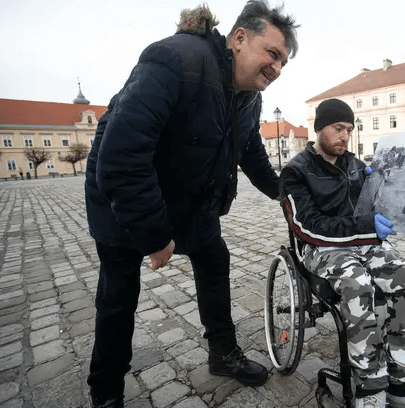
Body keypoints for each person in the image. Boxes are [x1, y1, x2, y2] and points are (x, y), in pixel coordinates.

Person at [84, 2, 299, 407]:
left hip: (191, 198)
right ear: (239, 38)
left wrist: (283, 193)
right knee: (117, 296)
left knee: (215, 260)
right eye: (272, 54)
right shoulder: (174, 59)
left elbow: (250, 149)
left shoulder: (248, 96)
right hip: (121, 201)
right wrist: (154, 235)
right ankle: (106, 389)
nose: (277, 68)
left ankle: (222, 354)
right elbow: (120, 157)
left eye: (283, 62)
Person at [279, 99, 405, 408]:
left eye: (349, 130)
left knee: (403, 278)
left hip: (363, 240)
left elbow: (374, 205)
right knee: (356, 281)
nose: (345, 136)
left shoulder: (355, 165)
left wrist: (380, 184)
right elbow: (308, 226)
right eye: (338, 129)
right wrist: (366, 226)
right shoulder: (296, 171)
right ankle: (371, 388)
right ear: (319, 127)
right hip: (321, 247)